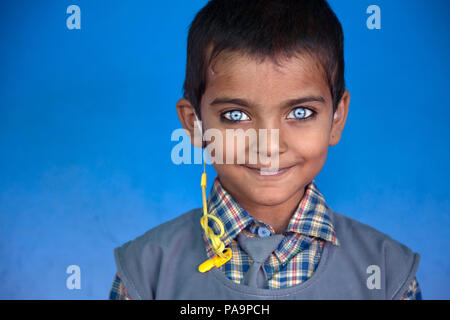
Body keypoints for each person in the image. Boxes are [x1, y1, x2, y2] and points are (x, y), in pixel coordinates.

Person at [109, 0, 421, 300]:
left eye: (300, 113)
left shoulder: (388, 274)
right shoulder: (145, 274)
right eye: (236, 115)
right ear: (195, 124)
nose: (269, 145)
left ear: (336, 118)